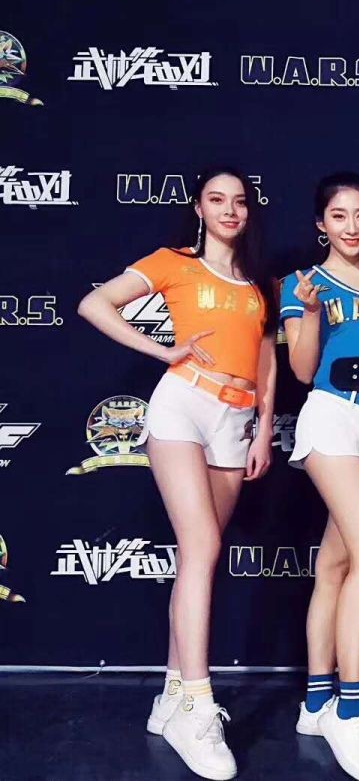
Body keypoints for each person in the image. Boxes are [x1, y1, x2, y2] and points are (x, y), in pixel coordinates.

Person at [77, 167, 278, 780]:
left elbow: (266, 357)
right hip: (183, 404)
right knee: (203, 547)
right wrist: (164, 351)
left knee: (199, 558)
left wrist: (263, 427)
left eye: (239, 201)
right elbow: (93, 303)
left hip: (235, 419)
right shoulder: (173, 262)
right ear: (199, 208)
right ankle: (197, 704)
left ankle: (169, 696)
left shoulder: (258, 282)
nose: (230, 210)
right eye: (217, 200)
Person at [280, 172, 359, 781]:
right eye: (338, 216)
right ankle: (350, 710)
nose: (351, 227)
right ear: (320, 225)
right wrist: (308, 312)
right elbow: (304, 371)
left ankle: (315, 701)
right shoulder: (303, 283)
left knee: (336, 564)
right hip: (331, 416)